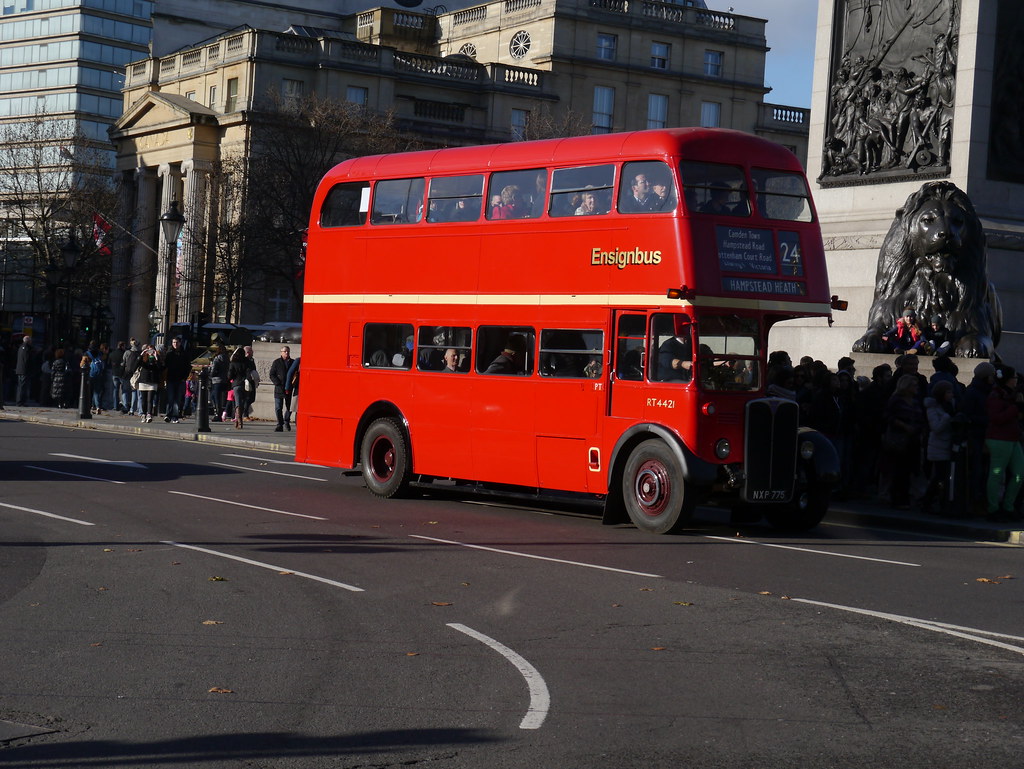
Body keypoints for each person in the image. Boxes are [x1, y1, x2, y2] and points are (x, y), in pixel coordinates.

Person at [984, 365, 1024, 522]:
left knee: (1020, 474)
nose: (1016, 380)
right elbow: (996, 418)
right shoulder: (996, 395)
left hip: (1012, 438)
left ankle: (1009, 506)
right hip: (999, 438)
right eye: (1014, 378)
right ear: (1007, 380)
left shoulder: (1012, 394)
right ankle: (993, 509)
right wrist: (1016, 408)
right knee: (996, 474)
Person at [882, 373, 925, 509]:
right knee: (898, 469)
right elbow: (888, 417)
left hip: (913, 438)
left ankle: (906, 498)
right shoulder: (896, 400)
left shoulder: (916, 401)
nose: (916, 388)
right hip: (899, 438)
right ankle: (897, 498)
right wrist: (903, 425)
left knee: (909, 469)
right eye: (913, 385)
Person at [920, 380, 956, 516]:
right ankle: (927, 501)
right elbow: (935, 428)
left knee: (944, 477)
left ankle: (939, 502)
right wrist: (947, 418)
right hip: (938, 446)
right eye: (948, 392)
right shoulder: (933, 407)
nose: (951, 394)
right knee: (938, 476)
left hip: (948, 445)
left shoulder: (950, 405)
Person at [163, 336, 191, 423]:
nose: (175, 344)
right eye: (174, 342)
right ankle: (168, 414)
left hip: (180, 379)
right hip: (170, 379)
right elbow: (165, 366)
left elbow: (188, 367)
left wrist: (184, 377)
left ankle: (175, 416)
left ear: (180, 343)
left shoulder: (184, 354)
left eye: (177, 342)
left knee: (178, 399)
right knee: (170, 398)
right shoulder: (169, 354)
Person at [657, 317, 692, 382]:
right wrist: (684, 364)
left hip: (689, 379)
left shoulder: (692, 344)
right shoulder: (668, 344)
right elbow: (669, 362)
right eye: (689, 328)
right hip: (670, 380)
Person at [135, 345, 162, 423]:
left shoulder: (157, 358)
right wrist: (142, 354)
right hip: (144, 380)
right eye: (149, 350)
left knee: (150, 399)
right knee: (143, 400)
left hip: (153, 381)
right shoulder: (144, 358)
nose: (150, 352)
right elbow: (137, 363)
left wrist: (156, 357)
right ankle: (143, 414)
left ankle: (149, 414)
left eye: (152, 350)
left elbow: (160, 368)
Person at [270, 345, 294, 432]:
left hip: (289, 388)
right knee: (278, 407)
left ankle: (286, 420)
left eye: (288, 351)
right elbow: (272, 374)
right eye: (285, 351)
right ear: (281, 352)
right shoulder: (276, 362)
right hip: (279, 388)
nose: (287, 353)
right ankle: (280, 424)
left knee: (289, 407)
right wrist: (277, 383)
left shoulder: (293, 362)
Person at [227, 346, 248, 429]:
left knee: (237, 404)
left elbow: (229, 376)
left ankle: (239, 421)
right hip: (245, 385)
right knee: (242, 404)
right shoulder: (246, 363)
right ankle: (237, 420)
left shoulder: (233, 364)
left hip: (236, 384)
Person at [208, 343, 228, 422]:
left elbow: (213, 371)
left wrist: (210, 375)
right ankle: (219, 413)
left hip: (216, 380)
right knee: (220, 398)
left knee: (214, 397)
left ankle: (217, 414)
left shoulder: (216, 359)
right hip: (224, 380)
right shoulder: (227, 359)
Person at [109, 340, 128, 413]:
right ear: (122, 346)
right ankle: (125, 405)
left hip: (114, 373)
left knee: (115, 390)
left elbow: (109, 362)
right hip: (122, 374)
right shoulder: (124, 354)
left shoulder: (112, 354)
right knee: (124, 390)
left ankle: (115, 406)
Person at [15, 335, 32, 406]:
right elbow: (26, 359)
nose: (31, 342)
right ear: (28, 341)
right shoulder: (26, 348)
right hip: (24, 370)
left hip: (19, 369)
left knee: (20, 386)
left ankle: (19, 401)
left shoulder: (20, 347)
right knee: (22, 386)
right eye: (30, 340)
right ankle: (20, 401)